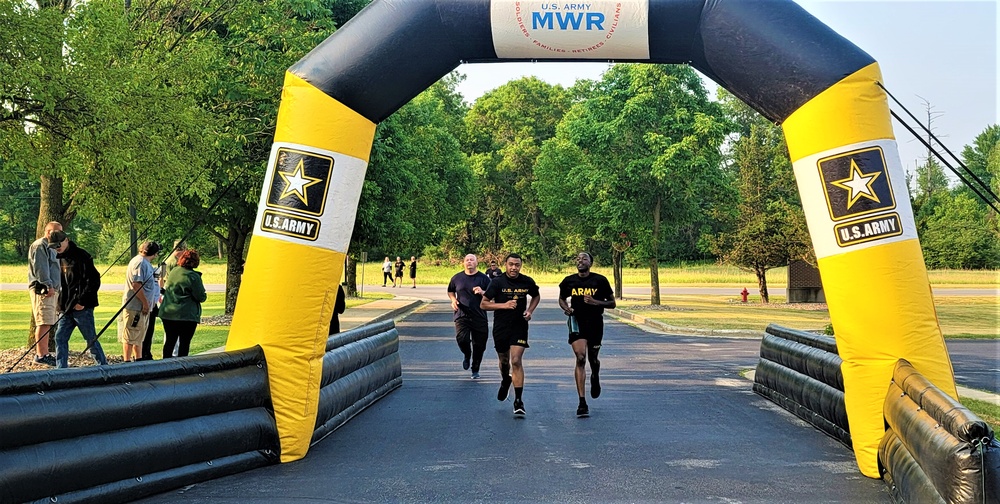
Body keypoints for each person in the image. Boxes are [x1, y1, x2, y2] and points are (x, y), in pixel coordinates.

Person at [481, 253, 540, 417]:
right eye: (511, 264)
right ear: (505, 265)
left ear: (521, 266)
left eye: (517, 265)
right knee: (504, 361)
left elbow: (536, 295)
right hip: (501, 326)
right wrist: (504, 305)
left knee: (516, 360)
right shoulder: (497, 282)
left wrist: (529, 310)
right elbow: (484, 304)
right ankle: (505, 379)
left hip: (519, 326)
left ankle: (518, 401)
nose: (514, 268)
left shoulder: (526, 281)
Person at [558, 252, 616, 418]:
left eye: (584, 259)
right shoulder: (569, 281)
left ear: (591, 262)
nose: (580, 261)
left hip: (595, 324)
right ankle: (582, 402)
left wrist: (594, 302)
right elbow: (561, 299)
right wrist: (566, 308)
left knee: (593, 358)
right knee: (581, 358)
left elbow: (612, 303)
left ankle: (595, 374)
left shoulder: (600, 280)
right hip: (577, 322)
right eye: (578, 259)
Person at [53, 236, 108, 368]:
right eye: (54, 246)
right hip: (66, 307)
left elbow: (94, 280)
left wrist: (82, 301)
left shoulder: (81, 256)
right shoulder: (60, 257)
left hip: (82, 307)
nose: (57, 248)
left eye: (59, 244)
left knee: (90, 338)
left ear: (66, 240)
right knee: (60, 337)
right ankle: (61, 369)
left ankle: (103, 366)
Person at [447, 254, 492, 379]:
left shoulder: (484, 279)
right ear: (463, 263)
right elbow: (450, 290)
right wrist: (453, 300)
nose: (469, 262)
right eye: (467, 260)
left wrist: (483, 292)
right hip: (461, 314)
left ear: (477, 263)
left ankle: (475, 368)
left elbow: (493, 295)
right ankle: (467, 354)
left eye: (472, 260)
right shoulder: (457, 278)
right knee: (462, 339)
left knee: (480, 345)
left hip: (479, 316)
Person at [26, 222, 64, 366]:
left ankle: (45, 352)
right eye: (53, 231)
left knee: (49, 321)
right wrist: (48, 285)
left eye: (59, 232)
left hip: (53, 289)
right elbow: (41, 268)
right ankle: (41, 355)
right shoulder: (40, 245)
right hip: (44, 290)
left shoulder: (54, 246)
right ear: (46, 231)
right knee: (44, 321)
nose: (55, 234)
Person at [159, 249, 207, 358]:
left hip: (168, 313)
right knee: (184, 343)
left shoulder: (174, 271)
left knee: (170, 341)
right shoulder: (193, 276)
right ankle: (181, 366)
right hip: (186, 315)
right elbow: (200, 296)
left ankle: (164, 365)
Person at [141, 240, 185, 360]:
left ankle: (150, 353)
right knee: (171, 325)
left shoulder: (166, 261)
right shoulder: (174, 262)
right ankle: (172, 353)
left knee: (164, 326)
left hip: (161, 294)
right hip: (168, 294)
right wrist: (161, 291)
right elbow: (161, 278)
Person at [118, 240, 160, 362]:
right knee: (131, 334)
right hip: (136, 307)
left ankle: (139, 359)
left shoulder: (143, 262)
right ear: (155, 253)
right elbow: (136, 285)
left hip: (141, 308)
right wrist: (145, 303)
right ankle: (126, 362)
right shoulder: (139, 263)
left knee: (139, 336)